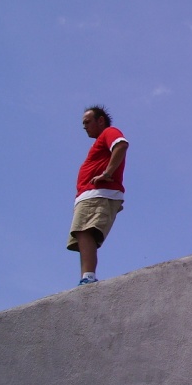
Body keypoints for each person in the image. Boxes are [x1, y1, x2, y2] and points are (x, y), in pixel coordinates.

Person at [67, 105, 129, 286]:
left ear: (100, 120)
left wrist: (107, 174)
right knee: (83, 236)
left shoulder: (109, 132)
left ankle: (88, 277)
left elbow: (121, 145)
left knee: (84, 231)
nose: (84, 126)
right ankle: (86, 277)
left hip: (97, 193)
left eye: (87, 122)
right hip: (91, 195)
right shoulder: (99, 142)